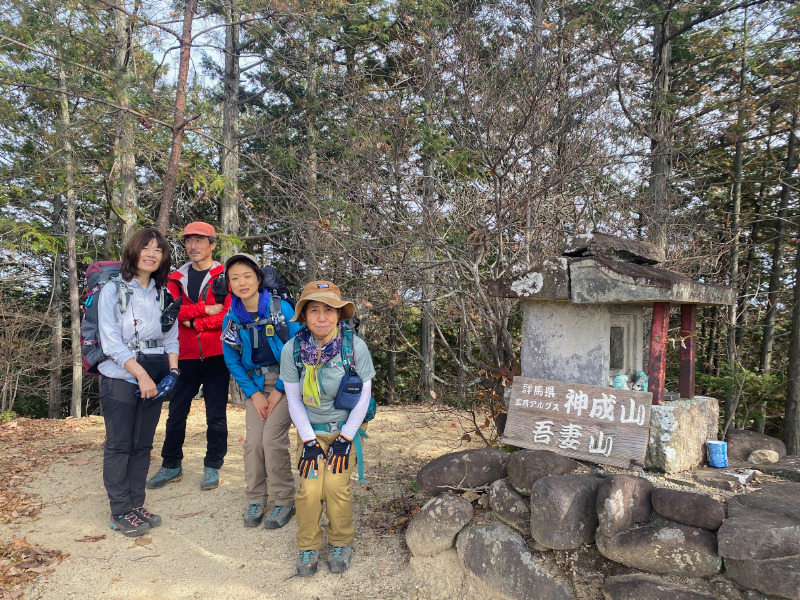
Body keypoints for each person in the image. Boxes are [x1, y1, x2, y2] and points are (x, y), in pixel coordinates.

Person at [279, 281, 375, 576]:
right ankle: (308, 544)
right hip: (312, 430)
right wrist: (309, 442)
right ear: (304, 315)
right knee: (309, 489)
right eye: (314, 310)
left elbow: (364, 397)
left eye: (329, 310)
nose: (322, 317)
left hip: (345, 429)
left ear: (339, 314)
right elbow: (294, 400)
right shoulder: (292, 350)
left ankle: (341, 541)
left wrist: (345, 439)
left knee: (334, 487)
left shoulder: (354, 347)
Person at [97, 228, 179, 537]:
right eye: (146, 247)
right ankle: (120, 510)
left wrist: (173, 373)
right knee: (120, 445)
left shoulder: (163, 294)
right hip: (120, 377)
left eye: (158, 249)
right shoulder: (113, 290)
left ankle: (135, 504)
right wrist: (141, 375)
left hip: (155, 378)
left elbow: (171, 338)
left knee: (143, 445)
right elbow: (111, 343)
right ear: (134, 250)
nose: (152, 254)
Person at [147, 222, 231, 491]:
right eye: (189, 241)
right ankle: (171, 464)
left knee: (216, 415)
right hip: (184, 355)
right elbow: (171, 313)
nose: (193, 246)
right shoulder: (175, 278)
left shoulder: (224, 276)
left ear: (212, 244)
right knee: (176, 413)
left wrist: (195, 323)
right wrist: (204, 309)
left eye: (200, 240)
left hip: (217, 354)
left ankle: (213, 465)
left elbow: (227, 315)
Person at [221, 253, 302, 529]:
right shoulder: (232, 317)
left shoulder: (281, 309)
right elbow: (231, 358)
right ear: (229, 284)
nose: (242, 283)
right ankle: (256, 498)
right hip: (254, 385)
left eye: (247, 276)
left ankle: (284, 500)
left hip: (287, 383)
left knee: (271, 441)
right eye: (235, 278)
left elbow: (297, 350)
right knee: (253, 443)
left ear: (258, 278)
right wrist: (254, 394)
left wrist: (279, 389)